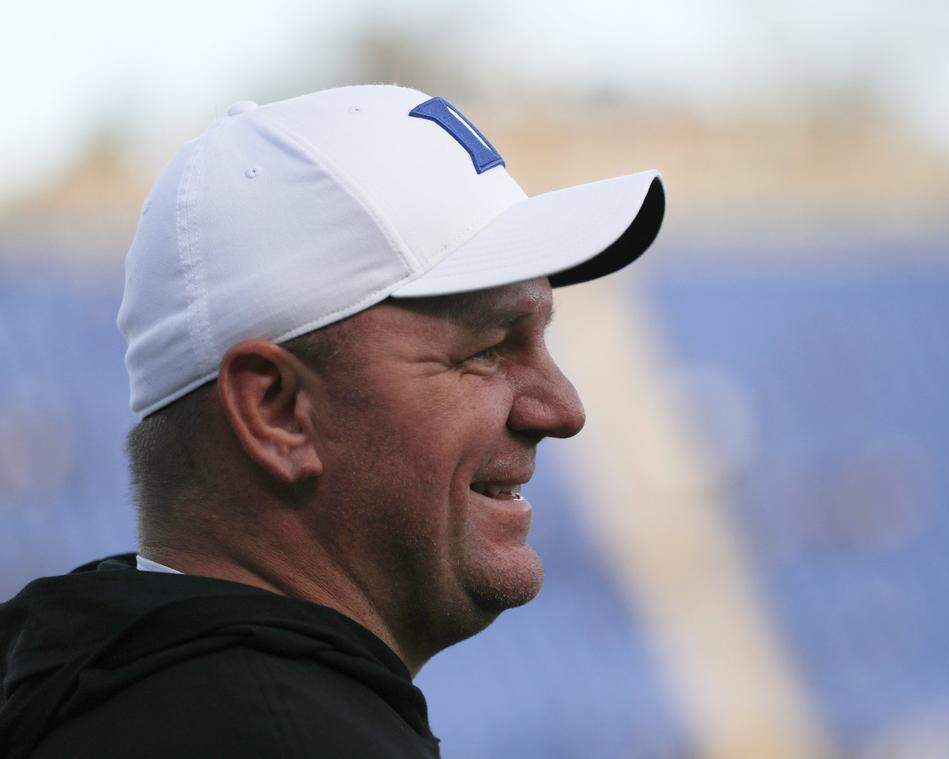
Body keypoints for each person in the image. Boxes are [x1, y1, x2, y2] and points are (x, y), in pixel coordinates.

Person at [0, 85, 664, 757]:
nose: (563, 408)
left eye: (541, 338)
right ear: (277, 410)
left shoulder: (98, 691)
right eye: (487, 349)